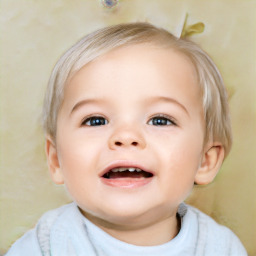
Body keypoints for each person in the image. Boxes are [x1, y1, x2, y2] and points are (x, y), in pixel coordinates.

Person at [5, 22, 247, 256]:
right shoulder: (45, 246)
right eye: (95, 120)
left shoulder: (219, 248)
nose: (125, 136)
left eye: (160, 120)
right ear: (56, 159)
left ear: (205, 161)